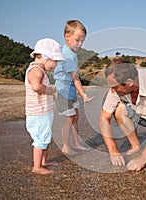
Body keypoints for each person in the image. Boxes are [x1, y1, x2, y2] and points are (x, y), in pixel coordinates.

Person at [25, 38, 65, 175]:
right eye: (55, 61)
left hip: (43, 112)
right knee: (41, 139)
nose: (55, 65)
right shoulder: (36, 71)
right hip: (38, 113)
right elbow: (36, 86)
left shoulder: (39, 70)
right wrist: (50, 90)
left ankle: (43, 162)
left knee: (45, 136)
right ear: (44, 57)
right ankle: (37, 166)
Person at [54, 20, 94, 154]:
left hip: (70, 91)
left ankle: (76, 143)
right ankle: (66, 146)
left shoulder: (71, 52)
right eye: (77, 40)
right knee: (69, 118)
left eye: (82, 41)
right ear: (67, 36)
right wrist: (83, 94)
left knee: (75, 116)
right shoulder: (68, 55)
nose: (80, 44)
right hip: (63, 92)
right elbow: (75, 78)